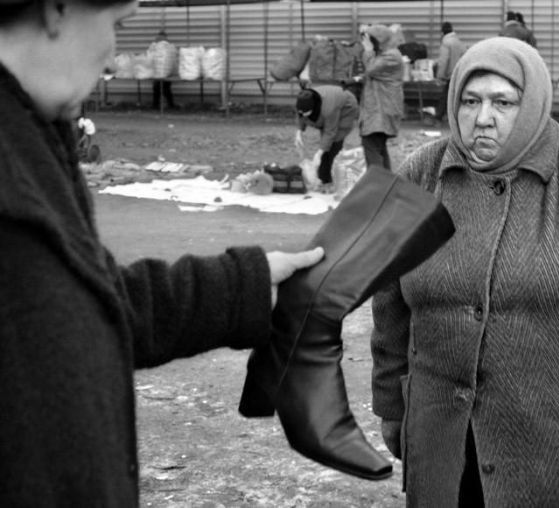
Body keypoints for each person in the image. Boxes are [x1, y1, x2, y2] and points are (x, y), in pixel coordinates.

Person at [0, 0, 324, 505]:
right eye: (116, 25)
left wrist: (247, 283)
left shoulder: (29, 140)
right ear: (56, 10)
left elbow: (91, 306)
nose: (111, 62)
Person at [370, 37, 559, 507]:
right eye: (470, 101)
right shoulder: (420, 175)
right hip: (445, 441)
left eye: (503, 102)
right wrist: (393, 406)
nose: (483, 118)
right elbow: (390, 308)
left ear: (531, 101)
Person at [294, 85, 359, 192]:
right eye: (301, 112)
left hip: (346, 107)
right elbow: (300, 115)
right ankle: (323, 178)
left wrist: (318, 154)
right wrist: (299, 131)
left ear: (314, 107)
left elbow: (330, 132)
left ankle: (335, 180)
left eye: (306, 113)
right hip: (328, 106)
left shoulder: (329, 109)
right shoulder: (303, 102)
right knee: (326, 145)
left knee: (335, 141)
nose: (303, 115)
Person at [359, 23, 404, 171]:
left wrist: (368, 50)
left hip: (382, 111)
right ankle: (385, 186)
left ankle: (378, 186)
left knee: (371, 145)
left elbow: (371, 69)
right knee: (378, 147)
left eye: (370, 40)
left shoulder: (391, 56)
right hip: (379, 110)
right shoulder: (386, 53)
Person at [433, 21, 467, 123]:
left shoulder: (446, 43)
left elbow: (443, 61)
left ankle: (438, 117)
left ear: (442, 33)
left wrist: (439, 76)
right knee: (452, 97)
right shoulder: (459, 42)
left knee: (445, 97)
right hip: (458, 74)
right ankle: (446, 116)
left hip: (450, 75)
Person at [152, 29, 178, 110]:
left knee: (158, 88)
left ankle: (156, 105)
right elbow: (173, 59)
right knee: (165, 88)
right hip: (166, 72)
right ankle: (169, 104)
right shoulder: (169, 46)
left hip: (158, 72)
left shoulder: (155, 46)